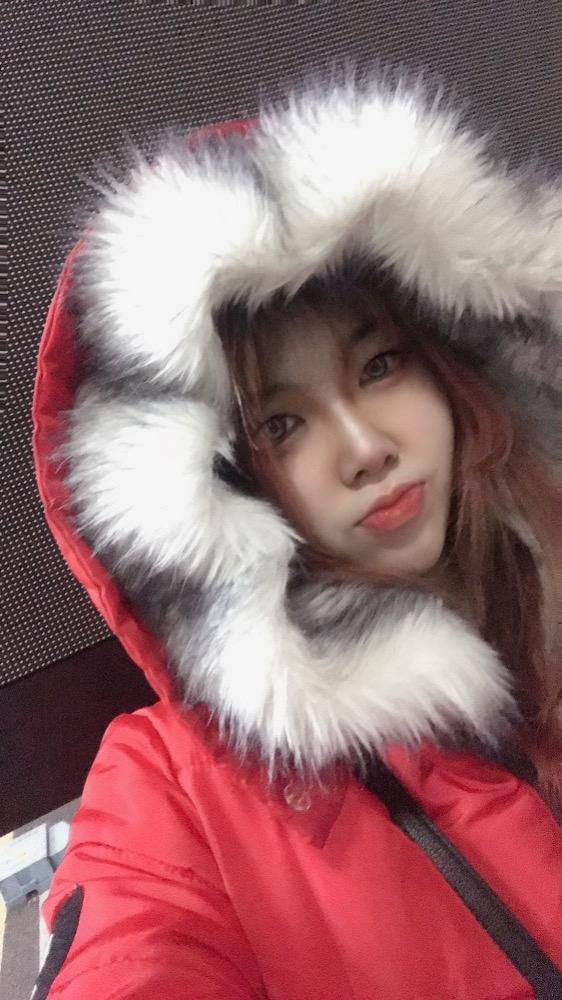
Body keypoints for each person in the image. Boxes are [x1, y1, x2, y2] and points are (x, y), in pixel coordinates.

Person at [32, 77, 561, 999]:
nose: (365, 449)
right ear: (218, 485)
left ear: (456, 361)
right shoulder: (169, 791)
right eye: (281, 425)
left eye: (380, 365)